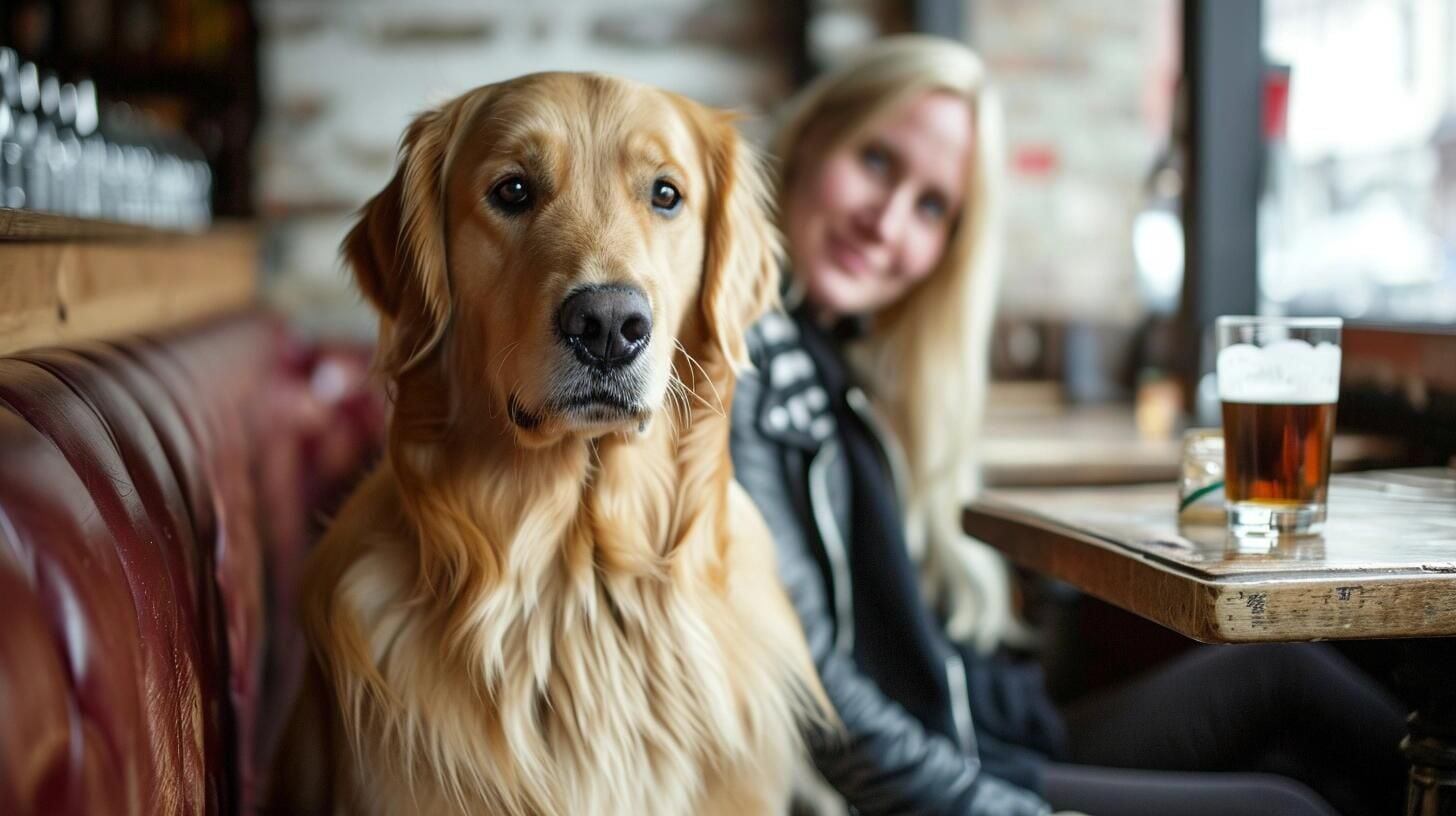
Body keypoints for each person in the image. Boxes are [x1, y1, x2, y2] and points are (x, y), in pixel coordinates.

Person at [730, 34, 1408, 816]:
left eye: (931, 207)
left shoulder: (832, 357)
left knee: (1286, 678)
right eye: (876, 161)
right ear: (811, 139)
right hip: (922, 776)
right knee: (1287, 807)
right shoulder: (749, 359)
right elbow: (819, 696)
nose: (887, 223)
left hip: (971, 731)